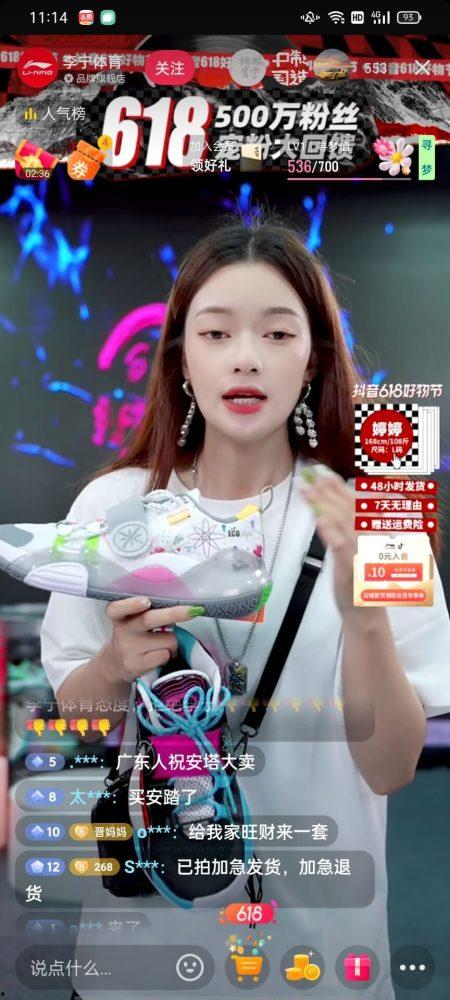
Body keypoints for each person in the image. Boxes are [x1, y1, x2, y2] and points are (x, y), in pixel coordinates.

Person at [40, 214, 450, 1000]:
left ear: (314, 358)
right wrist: (114, 665)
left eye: (278, 333)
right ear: (181, 358)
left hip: (317, 950)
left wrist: (364, 616)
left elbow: (391, 767)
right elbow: (82, 719)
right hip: (144, 950)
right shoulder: (114, 508)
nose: (246, 358)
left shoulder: (377, 518)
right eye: (217, 333)